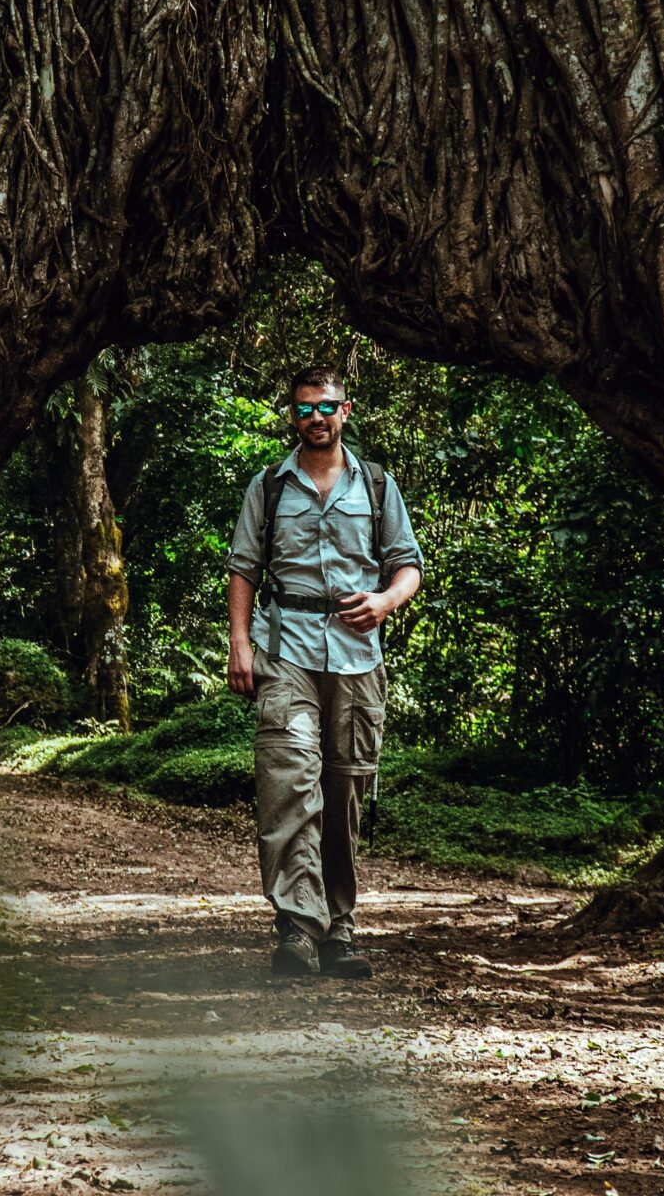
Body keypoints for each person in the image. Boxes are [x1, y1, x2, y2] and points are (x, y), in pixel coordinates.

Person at [225, 364, 423, 979]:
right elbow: (244, 568)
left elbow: (408, 566)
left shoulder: (378, 485)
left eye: (326, 406)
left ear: (346, 410)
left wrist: (386, 601)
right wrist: (239, 642)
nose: (316, 417)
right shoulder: (270, 486)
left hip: (358, 660)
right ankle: (295, 927)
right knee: (289, 784)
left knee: (344, 793)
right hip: (286, 653)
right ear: (293, 415)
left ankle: (340, 929)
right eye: (305, 408)